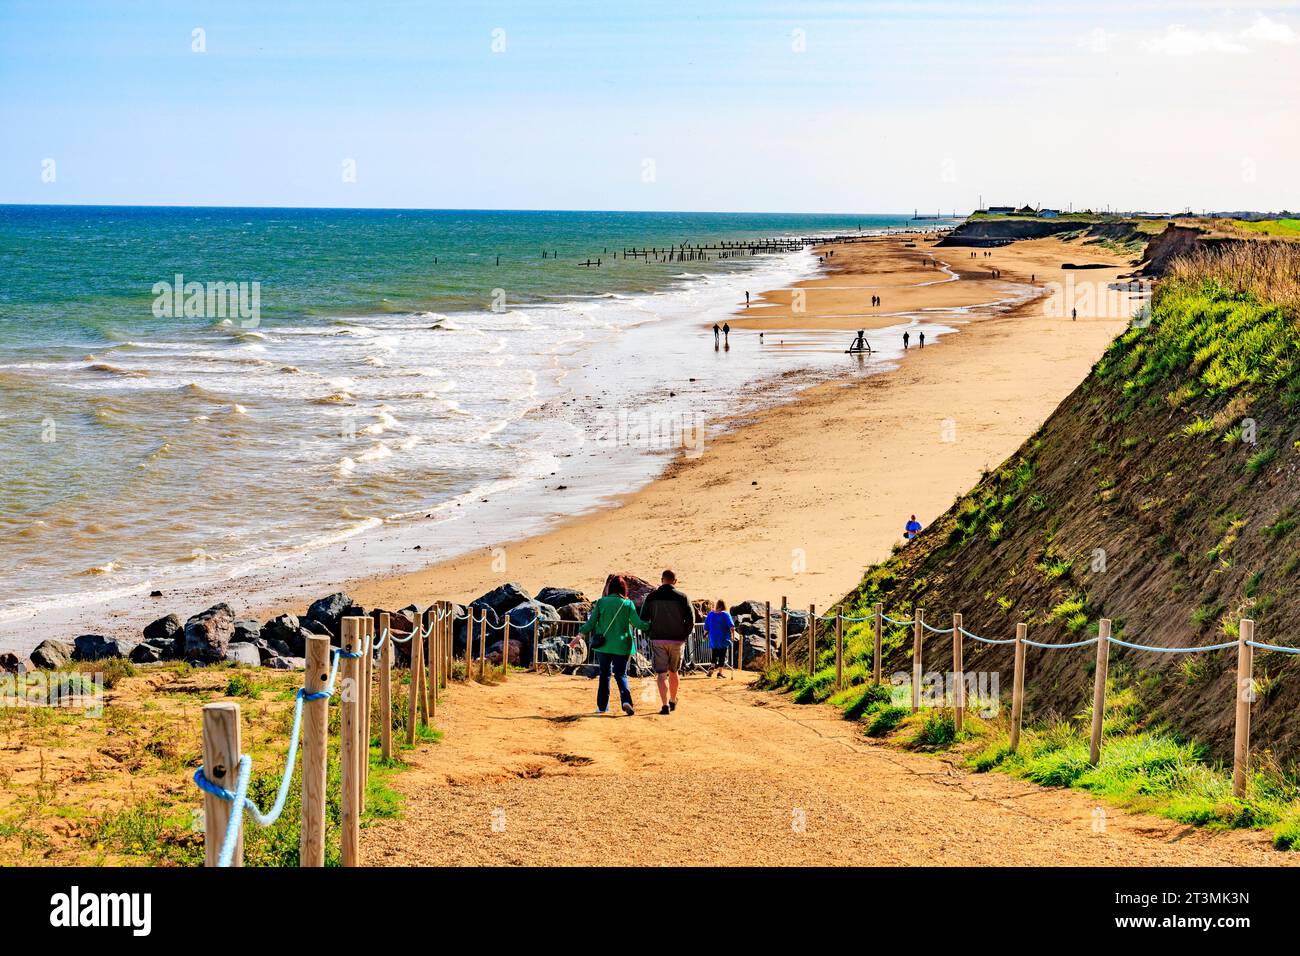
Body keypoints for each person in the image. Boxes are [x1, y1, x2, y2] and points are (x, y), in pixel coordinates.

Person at [575, 576, 648, 716]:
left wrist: (580, 635)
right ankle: (626, 701)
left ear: (610, 588)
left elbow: (591, 623)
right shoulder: (628, 604)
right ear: (623, 589)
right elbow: (638, 624)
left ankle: (602, 707)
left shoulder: (602, 602)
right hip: (622, 646)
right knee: (621, 675)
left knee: (604, 675)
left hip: (603, 646)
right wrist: (650, 625)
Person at [639, 569, 695, 715]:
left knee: (661, 674)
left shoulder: (651, 597)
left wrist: (649, 633)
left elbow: (643, 619)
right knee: (674, 671)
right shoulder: (683, 597)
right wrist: (684, 635)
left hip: (658, 640)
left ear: (662, 579)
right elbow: (691, 620)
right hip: (677, 640)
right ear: (675, 581)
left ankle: (664, 705)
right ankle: (673, 699)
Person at [703, 600, 735, 677]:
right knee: (722, 655)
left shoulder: (710, 614)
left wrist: (704, 635)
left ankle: (712, 666)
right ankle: (720, 673)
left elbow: (706, 626)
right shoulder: (725, 614)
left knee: (714, 654)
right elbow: (732, 626)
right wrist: (732, 636)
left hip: (713, 638)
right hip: (723, 637)